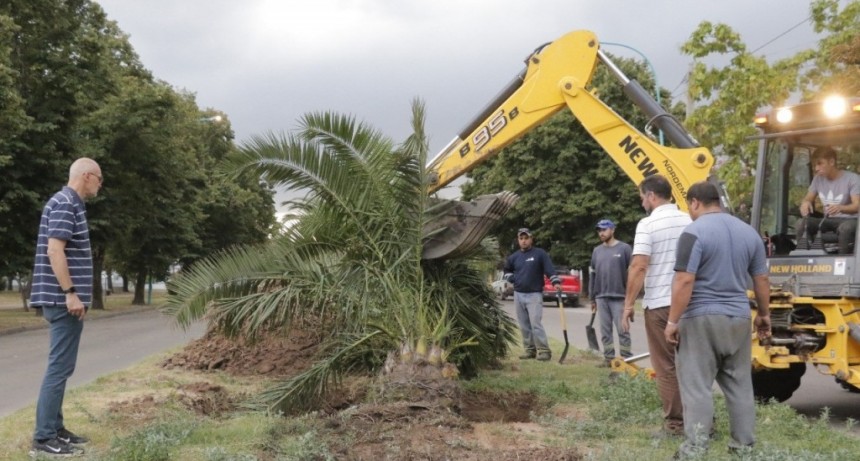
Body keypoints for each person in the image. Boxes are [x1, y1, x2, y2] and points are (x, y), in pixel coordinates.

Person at [664, 181, 771, 458]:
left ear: (695, 202)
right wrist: (764, 315)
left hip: (701, 318)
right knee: (740, 386)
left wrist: (672, 321)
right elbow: (761, 279)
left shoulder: (693, 232)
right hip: (738, 318)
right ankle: (743, 448)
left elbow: (684, 279)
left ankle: (694, 449)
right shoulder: (749, 233)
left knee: (697, 386)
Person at [29, 158, 103, 457]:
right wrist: (70, 293)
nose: (100, 185)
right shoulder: (65, 203)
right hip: (62, 301)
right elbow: (54, 250)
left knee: (63, 366)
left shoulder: (70, 203)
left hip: (63, 300)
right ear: (86, 176)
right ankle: (44, 438)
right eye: (99, 178)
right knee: (59, 368)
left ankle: (56, 428)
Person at [622, 174, 690, 437]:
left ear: (651, 196)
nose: (642, 203)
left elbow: (639, 265)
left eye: (642, 198)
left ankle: (676, 425)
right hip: (690, 305)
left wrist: (628, 304)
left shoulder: (647, 224)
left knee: (665, 366)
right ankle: (703, 421)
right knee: (694, 365)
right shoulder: (689, 221)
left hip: (661, 304)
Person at [504, 227, 561, 361]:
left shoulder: (540, 254)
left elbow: (549, 269)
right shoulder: (514, 257)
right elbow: (506, 271)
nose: (523, 241)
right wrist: (513, 279)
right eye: (521, 238)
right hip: (518, 294)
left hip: (534, 295)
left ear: (531, 239)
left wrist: (555, 282)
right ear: (518, 240)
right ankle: (529, 350)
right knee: (524, 324)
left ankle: (544, 351)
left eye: (526, 238)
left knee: (535, 323)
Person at [796, 146, 860, 254]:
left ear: (831, 162)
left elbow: (857, 206)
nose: (816, 168)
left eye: (820, 163)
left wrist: (840, 208)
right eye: (815, 165)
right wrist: (805, 203)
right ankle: (804, 258)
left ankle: (842, 262)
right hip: (828, 220)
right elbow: (808, 198)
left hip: (851, 220)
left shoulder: (852, 178)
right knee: (801, 223)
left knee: (846, 228)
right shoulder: (817, 179)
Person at [588, 219, 632, 366]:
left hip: (619, 297)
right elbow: (593, 275)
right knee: (605, 331)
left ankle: (627, 359)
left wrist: (630, 298)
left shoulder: (624, 249)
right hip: (601, 297)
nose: (601, 233)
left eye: (604, 230)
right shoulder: (596, 251)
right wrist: (592, 298)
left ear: (612, 230)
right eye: (599, 230)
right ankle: (608, 359)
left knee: (623, 330)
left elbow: (632, 274)